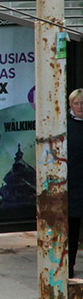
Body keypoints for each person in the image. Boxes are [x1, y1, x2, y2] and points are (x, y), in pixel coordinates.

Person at [67, 88, 83, 277]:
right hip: (72, 182)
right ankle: (68, 266)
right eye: (76, 103)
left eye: (82, 103)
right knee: (71, 229)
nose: (80, 107)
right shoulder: (65, 125)